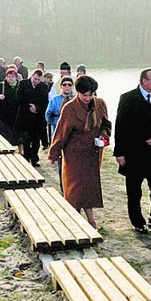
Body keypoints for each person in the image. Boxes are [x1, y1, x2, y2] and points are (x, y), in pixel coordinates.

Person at [47, 75, 110, 229]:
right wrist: (54, 153)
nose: (87, 98)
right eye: (84, 95)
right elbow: (61, 132)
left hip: (92, 152)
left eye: (90, 95)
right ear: (78, 92)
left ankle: (91, 220)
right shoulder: (69, 108)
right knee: (74, 188)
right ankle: (74, 219)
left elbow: (106, 123)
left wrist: (104, 134)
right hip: (74, 153)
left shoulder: (100, 104)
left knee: (90, 186)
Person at [114, 68, 151, 233]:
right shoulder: (127, 98)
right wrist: (119, 152)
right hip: (134, 153)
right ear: (144, 81)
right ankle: (138, 222)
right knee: (134, 191)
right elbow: (120, 126)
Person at [45, 76, 75, 190]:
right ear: (61, 86)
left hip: (73, 135)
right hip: (59, 134)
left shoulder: (76, 99)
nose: (67, 87)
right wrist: (57, 123)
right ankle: (63, 187)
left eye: (69, 85)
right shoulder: (55, 100)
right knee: (61, 162)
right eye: (65, 85)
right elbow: (48, 115)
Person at [16, 69, 49, 166]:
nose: (36, 81)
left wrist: (36, 107)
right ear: (32, 76)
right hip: (25, 116)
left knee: (36, 140)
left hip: (38, 117)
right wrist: (28, 107)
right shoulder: (23, 84)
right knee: (26, 138)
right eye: (35, 79)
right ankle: (26, 157)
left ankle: (34, 158)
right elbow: (19, 98)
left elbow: (45, 101)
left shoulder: (44, 87)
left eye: (39, 80)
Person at [0, 67, 22, 147]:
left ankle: (21, 151)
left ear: (16, 77)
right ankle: (3, 147)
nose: (10, 78)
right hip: (4, 114)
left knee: (19, 135)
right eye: (9, 77)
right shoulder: (2, 86)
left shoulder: (20, 86)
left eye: (12, 76)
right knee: (4, 134)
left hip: (17, 115)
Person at [41, 71, 54, 149]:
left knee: (51, 125)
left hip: (50, 107)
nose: (50, 79)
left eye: (51, 77)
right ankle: (45, 143)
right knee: (43, 126)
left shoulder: (54, 86)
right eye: (48, 77)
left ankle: (51, 141)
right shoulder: (42, 86)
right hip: (44, 107)